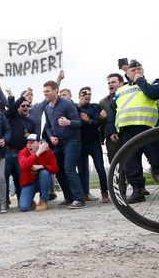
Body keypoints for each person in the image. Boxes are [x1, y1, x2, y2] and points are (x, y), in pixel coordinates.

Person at [107, 61, 159, 203]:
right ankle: (138, 190)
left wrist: (140, 80)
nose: (136, 71)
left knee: (157, 159)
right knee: (131, 162)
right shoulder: (120, 90)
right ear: (127, 73)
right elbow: (113, 111)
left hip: (147, 128)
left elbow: (155, 94)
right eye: (133, 69)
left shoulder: (152, 82)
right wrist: (112, 130)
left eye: (139, 68)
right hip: (127, 130)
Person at [42, 80, 85, 209]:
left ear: (55, 90)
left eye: (47, 91)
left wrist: (68, 122)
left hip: (72, 141)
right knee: (57, 169)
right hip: (58, 144)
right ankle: (69, 197)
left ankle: (79, 199)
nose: (45, 94)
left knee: (69, 168)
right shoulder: (47, 108)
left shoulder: (67, 104)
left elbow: (79, 122)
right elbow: (48, 127)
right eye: (44, 92)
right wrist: (51, 136)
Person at [76, 87, 109, 203]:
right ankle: (85, 194)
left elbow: (97, 123)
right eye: (84, 93)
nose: (87, 95)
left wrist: (88, 120)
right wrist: (79, 107)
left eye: (89, 94)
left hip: (94, 143)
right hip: (80, 144)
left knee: (100, 168)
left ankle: (105, 193)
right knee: (82, 170)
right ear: (79, 96)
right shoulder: (75, 108)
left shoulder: (95, 107)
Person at [18, 134, 58, 211]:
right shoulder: (23, 152)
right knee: (23, 207)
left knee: (45, 173)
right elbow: (23, 165)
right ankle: (30, 200)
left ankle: (43, 201)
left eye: (32, 142)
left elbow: (55, 168)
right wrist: (37, 153)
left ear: (39, 143)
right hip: (29, 182)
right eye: (28, 143)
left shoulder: (47, 151)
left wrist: (42, 166)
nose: (29, 145)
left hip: (42, 181)